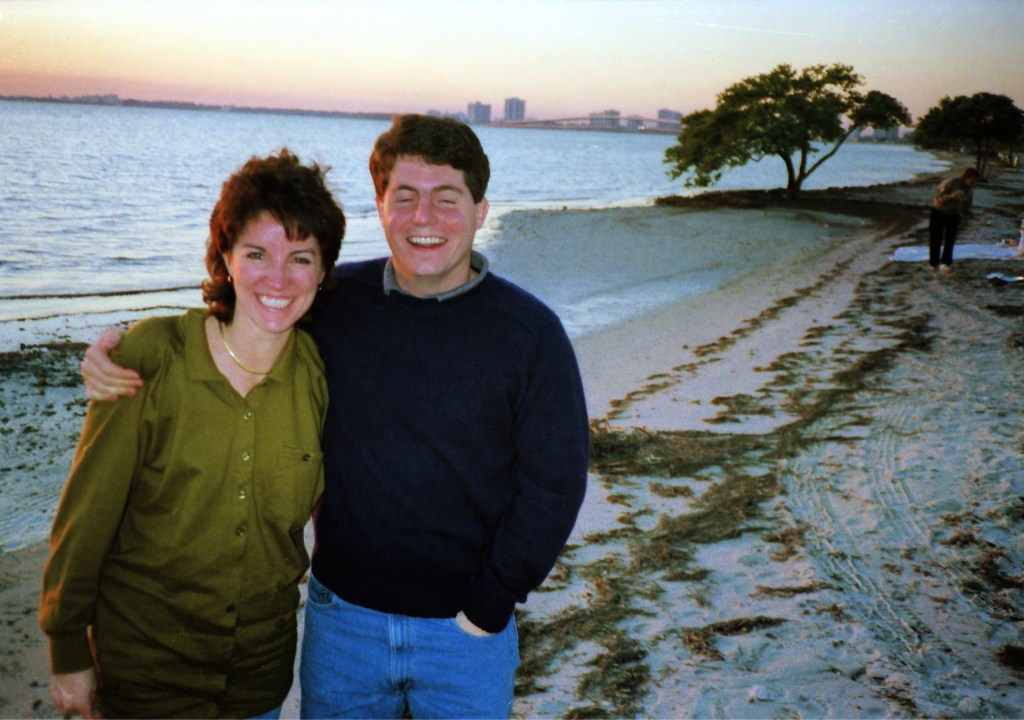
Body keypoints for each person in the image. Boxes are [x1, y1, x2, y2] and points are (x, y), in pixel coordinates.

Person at [81, 114, 590, 719]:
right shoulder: (334, 303)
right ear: (380, 207)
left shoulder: (530, 334)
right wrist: (127, 348)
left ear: (481, 210)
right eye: (405, 196)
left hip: (465, 637)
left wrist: (490, 604)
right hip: (343, 624)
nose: (424, 218)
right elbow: (247, 315)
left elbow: (555, 484)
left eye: (446, 199)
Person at [41, 149, 345, 719]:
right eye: (256, 254)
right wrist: (66, 649)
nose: (278, 279)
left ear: (324, 271)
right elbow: (86, 516)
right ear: (225, 257)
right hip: (144, 679)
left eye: (301, 259)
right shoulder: (152, 357)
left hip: (259, 684)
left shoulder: (320, 375)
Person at [928, 166, 980, 272]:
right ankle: (934, 263)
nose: (975, 183)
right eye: (974, 180)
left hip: (954, 213)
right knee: (935, 237)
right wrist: (952, 196)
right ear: (967, 177)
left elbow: (966, 207)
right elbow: (938, 199)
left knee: (950, 239)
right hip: (939, 210)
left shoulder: (970, 191)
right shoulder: (950, 183)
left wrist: (971, 216)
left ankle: (945, 263)